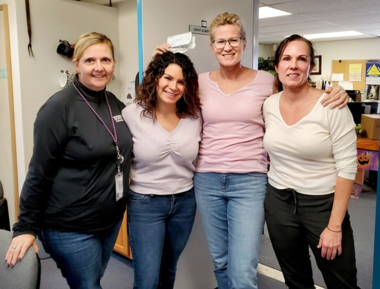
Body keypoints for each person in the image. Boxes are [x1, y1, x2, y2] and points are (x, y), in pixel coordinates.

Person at [154, 12, 350, 289]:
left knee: (244, 265)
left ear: (244, 43)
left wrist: (336, 91)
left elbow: (298, 91)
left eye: (234, 39)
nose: (227, 47)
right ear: (212, 46)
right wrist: (158, 63)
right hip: (207, 179)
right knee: (221, 260)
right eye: (220, 41)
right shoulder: (198, 83)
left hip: (250, 180)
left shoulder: (266, 81)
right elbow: (162, 100)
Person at [5, 32, 132, 289]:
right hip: (70, 227)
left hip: (110, 220)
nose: (99, 67)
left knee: (92, 279)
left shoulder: (114, 103)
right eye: (90, 60)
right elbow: (39, 171)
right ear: (76, 64)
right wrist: (25, 227)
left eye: (106, 60)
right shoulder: (58, 108)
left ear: (114, 63)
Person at [263, 34, 360, 289]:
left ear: (310, 66)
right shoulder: (269, 105)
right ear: (277, 66)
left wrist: (335, 226)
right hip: (279, 202)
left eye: (301, 58)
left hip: (322, 205)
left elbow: (348, 167)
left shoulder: (332, 105)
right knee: (295, 279)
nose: (293, 64)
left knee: (341, 281)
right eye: (286, 58)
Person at [122, 51, 202, 289]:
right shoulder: (132, 114)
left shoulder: (195, 116)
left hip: (185, 203)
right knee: (147, 279)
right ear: (155, 78)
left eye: (181, 81)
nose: (173, 86)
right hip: (146, 203)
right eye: (167, 78)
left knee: (168, 271)